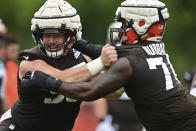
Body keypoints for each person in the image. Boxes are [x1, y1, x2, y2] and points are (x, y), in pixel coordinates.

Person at [23, 0, 196, 130]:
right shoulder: (153, 49)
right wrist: (78, 42)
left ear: (142, 25)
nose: (119, 28)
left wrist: (48, 82)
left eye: (124, 23)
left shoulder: (127, 63)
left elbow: (89, 92)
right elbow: (112, 53)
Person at [0, 0, 117, 131]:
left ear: (71, 36)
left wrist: (120, 67)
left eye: (57, 35)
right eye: (47, 35)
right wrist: (101, 61)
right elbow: (61, 77)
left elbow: (112, 92)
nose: (51, 41)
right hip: (18, 127)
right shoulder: (29, 62)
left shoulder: (83, 61)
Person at [3, 34, 19, 107]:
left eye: (16, 51)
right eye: (12, 51)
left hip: (15, 113)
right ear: (3, 49)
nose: (15, 55)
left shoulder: (13, 66)